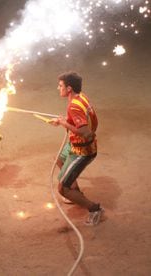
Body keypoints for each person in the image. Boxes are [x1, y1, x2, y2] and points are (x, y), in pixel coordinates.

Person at [50, 72, 104, 226]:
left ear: (69, 88)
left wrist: (64, 124)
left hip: (82, 151)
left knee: (63, 189)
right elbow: (82, 121)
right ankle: (76, 194)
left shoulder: (74, 106)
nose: (58, 88)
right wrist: (63, 120)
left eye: (60, 86)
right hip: (76, 144)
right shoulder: (80, 97)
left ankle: (95, 210)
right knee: (60, 159)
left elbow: (86, 133)